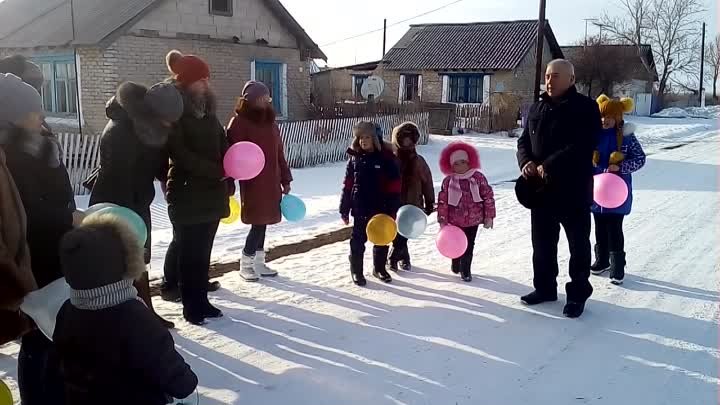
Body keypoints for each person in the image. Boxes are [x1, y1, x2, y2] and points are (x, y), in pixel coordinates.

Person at [54, 212, 198, 405]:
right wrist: (187, 380)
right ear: (125, 262)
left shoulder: (67, 310)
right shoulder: (134, 316)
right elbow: (173, 374)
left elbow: (60, 362)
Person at [0, 72, 73, 404]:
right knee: (35, 337)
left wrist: (51, 153)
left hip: (56, 250)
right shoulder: (8, 157)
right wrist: (68, 217)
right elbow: (26, 210)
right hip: (30, 257)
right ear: (12, 117)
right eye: (33, 110)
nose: (41, 115)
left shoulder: (41, 142)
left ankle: (55, 392)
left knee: (57, 331)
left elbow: (59, 193)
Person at [89, 81, 184, 329]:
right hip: (115, 206)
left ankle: (146, 313)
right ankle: (126, 321)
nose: (170, 125)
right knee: (120, 265)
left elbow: (156, 166)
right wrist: (128, 217)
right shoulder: (120, 131)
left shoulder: (150, 129)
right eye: (167, 119)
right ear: (152, 113)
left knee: (140, 261)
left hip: (138, 201)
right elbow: (116, 178)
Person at [516, 59, 602, 318]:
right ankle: (544, 288)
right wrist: (526, 162)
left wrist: (549, 165)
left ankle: (577, 294)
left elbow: (583, 144)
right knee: (542, 245)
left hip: (573, 191)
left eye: (555, 76)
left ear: (571, 79)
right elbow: (523, 142)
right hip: (541, 192)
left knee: (578, 246)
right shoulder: (537, 107)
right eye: (547, 75)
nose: (549, 81)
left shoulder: (585, 108)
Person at [163, 50, 231, 325]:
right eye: (200, 80)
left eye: (207, 79)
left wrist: (231, 168)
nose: (205, 84)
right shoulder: (175, 111)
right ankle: (190, 306)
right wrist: (215, 171)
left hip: (212, 192)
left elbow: (221, 140)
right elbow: (179, 153)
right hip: (187, 191)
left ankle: (202, 300)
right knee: (189, 252)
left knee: (203, 252)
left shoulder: (208, 110)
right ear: (186, 82)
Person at [227, 81, 293, 281]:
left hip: (272, 181)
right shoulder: (239, 123)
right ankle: (246, 262)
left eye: (268, 98)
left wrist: (285, 178)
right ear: (250, 100)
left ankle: (259, 262)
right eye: (262, 99)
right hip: (253, 182)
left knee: (264, 222)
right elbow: (232, 154)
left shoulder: (271, 123)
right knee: (258, 222)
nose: (266, 102)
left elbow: (279, 153)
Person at [591, 95, 646, 285]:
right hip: (597, 190)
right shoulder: (594, 134)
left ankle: (617, 266)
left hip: (617, 192)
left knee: (614, 228)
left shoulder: (627, 137)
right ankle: (602, 260)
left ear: (618, 118)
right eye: (602, 116)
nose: (605, 120)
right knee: (599, 227)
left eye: (609, 117)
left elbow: (640, 159)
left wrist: (621, 167)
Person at [340, 121, 401, 286]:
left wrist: (392, 209)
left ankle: (379, 268)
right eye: (360, 138)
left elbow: (394, 186)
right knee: (358, 240)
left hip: (381, 207)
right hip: (360, 207)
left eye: (367, 137)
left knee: (381, 239)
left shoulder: (387, 159)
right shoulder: (355, 159)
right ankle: (356, 271)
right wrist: (344, 208)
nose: (363, 141)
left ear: (375, 139)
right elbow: (347, 185)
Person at [437, 142, 495, 282]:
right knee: (455, 243)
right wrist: (442, 218)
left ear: (469, 162)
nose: (461, 166)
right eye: (457, 163)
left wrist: (489, 216)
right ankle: (456, 260)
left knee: (469, 244)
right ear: (451, 166)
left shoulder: (478, 178)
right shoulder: (449, 181)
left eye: (463, 162)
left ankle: (466, 270)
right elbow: (443, 201)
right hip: (454, 220)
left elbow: (488, 196)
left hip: (473, 220)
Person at [389, 121, 434, 271]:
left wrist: (429, 202)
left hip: (413, 203)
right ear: (398, 139)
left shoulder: (418, 161)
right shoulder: (391, 160)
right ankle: (402, 257)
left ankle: (394, 256)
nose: (407, 142)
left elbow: (427, 182)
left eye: (410, 139)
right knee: (396, 231)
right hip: (394, 202)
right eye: (404, 138)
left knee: (405, 231)